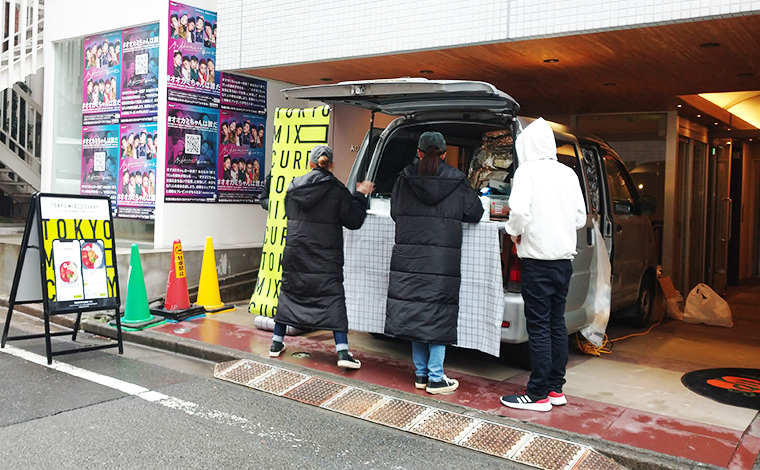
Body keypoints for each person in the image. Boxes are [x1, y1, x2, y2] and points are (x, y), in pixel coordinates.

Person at [384, 131, 483, 394]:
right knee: (438, 312)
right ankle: (436, 378)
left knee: (416, 312)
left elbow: (395, 212)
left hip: (409, 257)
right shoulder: (457, 180)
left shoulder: (404, 178)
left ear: (418, 152)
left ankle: (421, 374)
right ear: (444, 153)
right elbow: (475, 213)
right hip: (442, 261)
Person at [499, 118, 586, 412]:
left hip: (536, 260)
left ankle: (536, 393)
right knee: (555, 323)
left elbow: (520, 211)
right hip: (563, 262)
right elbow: (580, 219)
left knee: (537, 327)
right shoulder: (569, 174)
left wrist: (514, 232)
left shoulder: (527, 172)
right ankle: (555, 388)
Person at [270, 145, 375, 369]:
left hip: (295, 253)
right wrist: (361, 195)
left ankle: (276, 344)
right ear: (332, 165)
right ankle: (343, 353)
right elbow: (354, 221)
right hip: (325, 257)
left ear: (310, 164)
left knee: (289, 293)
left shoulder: (293, 188)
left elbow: (291, 214)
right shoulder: (338, 190)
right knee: (333, 299)